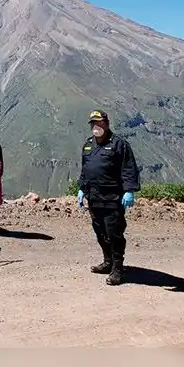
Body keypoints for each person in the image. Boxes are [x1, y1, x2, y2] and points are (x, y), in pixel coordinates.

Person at [77, 109, 141, 286]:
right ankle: (107, 262)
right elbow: (85, 169)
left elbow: (129, 169)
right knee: (100, 232)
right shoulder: (88, 144)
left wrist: (129, 190)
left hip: (112, 198)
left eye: (99, 123)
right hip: (94, 197)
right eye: (93, 123)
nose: (96, 126)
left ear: (106, 123)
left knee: (114, 233)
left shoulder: (119, 144)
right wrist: (81, 189)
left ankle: (117, 269)